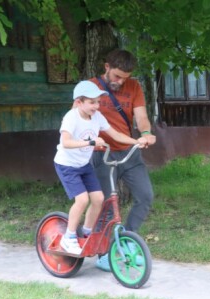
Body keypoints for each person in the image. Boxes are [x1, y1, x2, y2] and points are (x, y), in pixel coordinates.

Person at [54, 80, 148, 255]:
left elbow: (115, 134)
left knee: (98, 199)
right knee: (82, 200)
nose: (96, 106)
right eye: (92, 102)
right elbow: (65, 142)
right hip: (67, 165)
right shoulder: (71, 117)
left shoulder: (97, 117)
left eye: (98, 102)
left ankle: (87, 233)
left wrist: (136, 141)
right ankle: (69, 237)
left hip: (83, 164)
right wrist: (90, 142)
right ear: (79, 102)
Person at [88, 49, 157, 271]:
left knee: (145, 196)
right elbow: (76, 117)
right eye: (117, 76)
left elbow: (142, 117)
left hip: (129, 152)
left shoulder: (134, 86)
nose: (120, 82)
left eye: (124, 78)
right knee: (107, 205)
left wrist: (146, 134)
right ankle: (104, 254)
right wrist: (90, 139)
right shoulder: (90, 87)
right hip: (102, 153)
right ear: (106, 67)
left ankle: (125, 243)